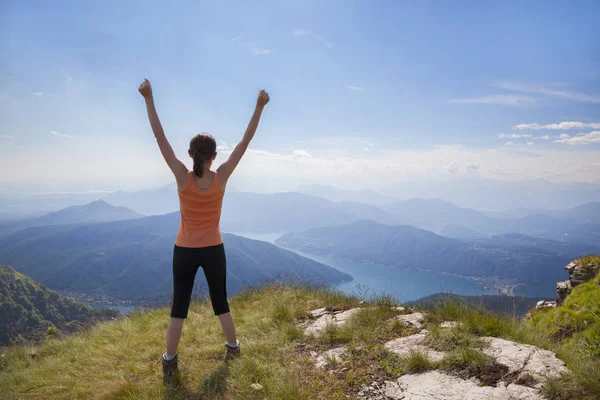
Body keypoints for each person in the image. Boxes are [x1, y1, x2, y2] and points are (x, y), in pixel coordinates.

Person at [138, 79, 270, 379]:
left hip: (183, 249)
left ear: (190, 153)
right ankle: (233, 347)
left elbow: (160, 139)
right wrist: (259, 106)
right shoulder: (221, 177)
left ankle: (170, 359)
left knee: (179, 305)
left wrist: (149, 98)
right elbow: (245, 142)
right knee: (219, 299)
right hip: (213, 249)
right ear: (213, 157)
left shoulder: (182, 178)